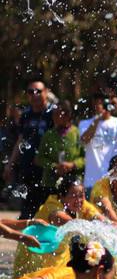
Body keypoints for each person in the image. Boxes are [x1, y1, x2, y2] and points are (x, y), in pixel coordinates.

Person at [12, 175, 108, 279]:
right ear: (62, 196)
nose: (79, 200)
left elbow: (99, 217)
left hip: (57, 254)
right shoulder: (52, 205)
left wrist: (110, 227)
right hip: (34, 251)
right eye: (74, 195)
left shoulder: (81, 203)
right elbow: (61, 219)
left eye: (81, 195)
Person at [5, 77, 57, 219]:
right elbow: (20, 140)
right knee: (27, 209)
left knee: (48, 208)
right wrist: (10, 164)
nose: (35, 94)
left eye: (38, 91)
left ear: (46, 92)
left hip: (47, 170)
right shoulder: (26, 115)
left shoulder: (53, 114)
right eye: (31, 91)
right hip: (27, 168)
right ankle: (27, 239)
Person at [79, 91, 117, 193]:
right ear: (95, 104)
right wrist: (98, 119)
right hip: (92, 181)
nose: (104, 106)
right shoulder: (86, 123)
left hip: (115, 182)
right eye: (100, 103)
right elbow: (84, 139)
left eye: (106, 103)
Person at [35, 103, 85, 199]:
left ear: (67, 116)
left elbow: (85, 158)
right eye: (53, 114)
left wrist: (72, 165)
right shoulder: (48, 135)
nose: (54, 117)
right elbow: (39, 158)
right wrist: (54, 166)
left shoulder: (77, 133)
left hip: (73, 183)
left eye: (58, 114)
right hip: (51, 183)